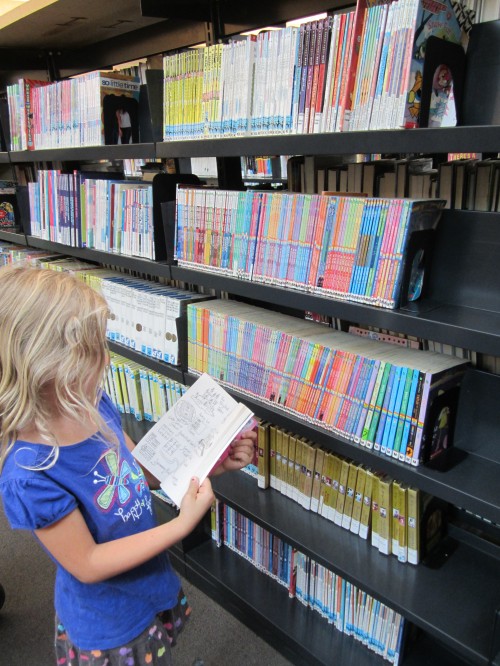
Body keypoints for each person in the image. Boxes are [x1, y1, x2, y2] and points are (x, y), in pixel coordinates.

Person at [0, 264, 256, 666]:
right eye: (92, 352)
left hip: (144, 581)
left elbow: (133, 471)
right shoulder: (30, 473)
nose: (106, 359)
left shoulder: (92, 405)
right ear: (43, 366)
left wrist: (210, 463)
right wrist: (181, 525)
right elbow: (86, 563)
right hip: (107, 620)